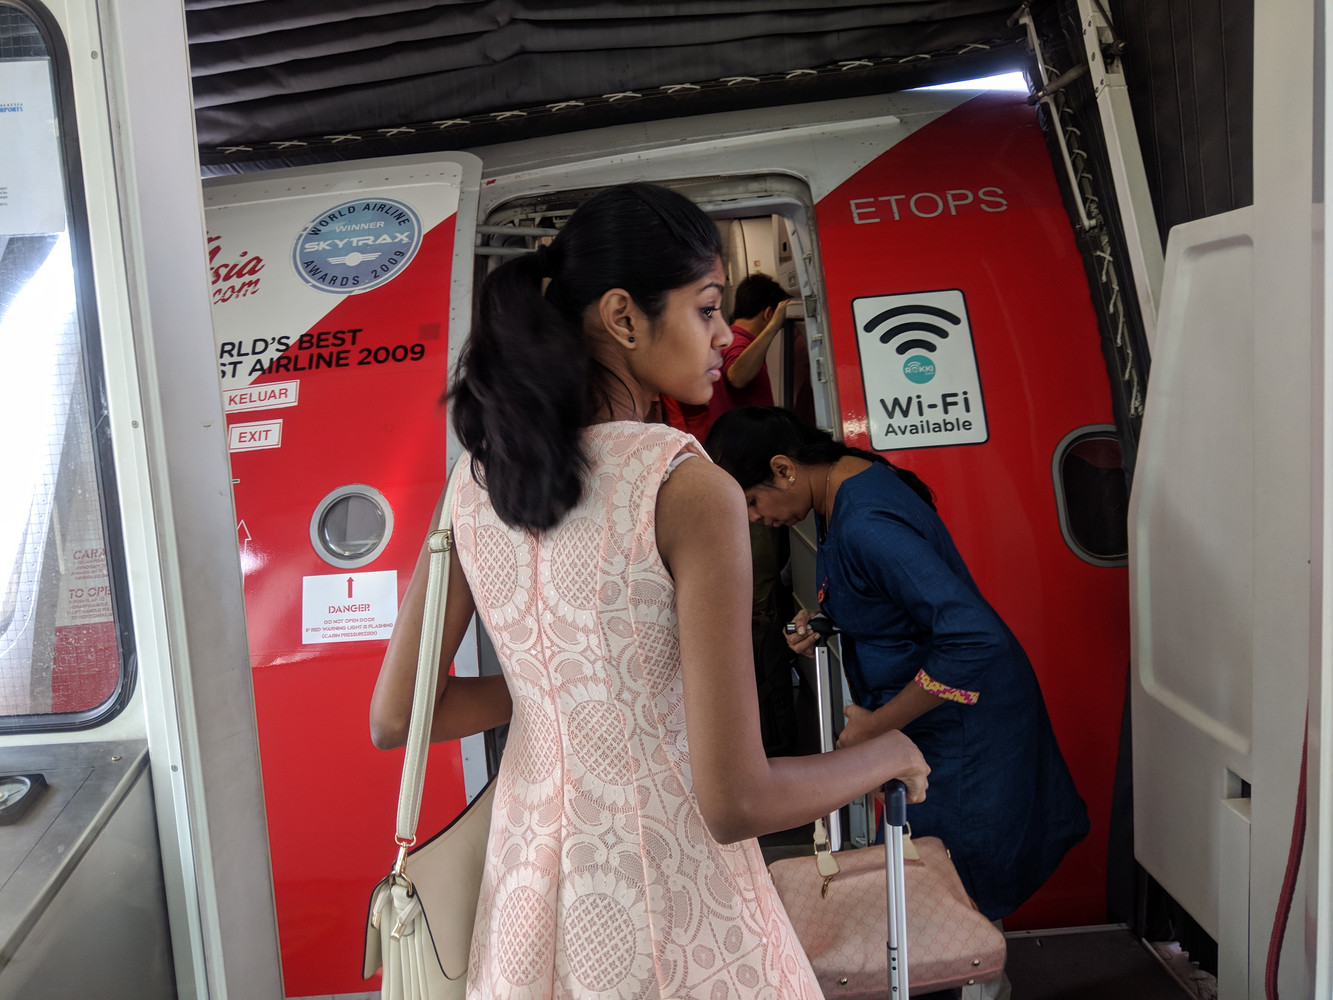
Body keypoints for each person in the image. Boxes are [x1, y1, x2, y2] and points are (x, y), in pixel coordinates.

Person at [369, 184, 930, 1000]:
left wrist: (562, 689)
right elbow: (736, 800)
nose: (724, 334)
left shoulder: (475, 480)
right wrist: (887, 752)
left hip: (527, 904)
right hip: (670, 913)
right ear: (624, 318)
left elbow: (398, 717)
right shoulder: (683, 485)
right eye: (706, 308)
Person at [706, 406, 1090, 998]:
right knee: (948, 889)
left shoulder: (864, 521)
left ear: (783, 470)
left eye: (754, 503)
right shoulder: (844, 485)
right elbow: (890, 596)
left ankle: (981, 986)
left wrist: (878, 730)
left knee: (959, 890)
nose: (759, 519)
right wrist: (828, 617)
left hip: (965, 727)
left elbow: (972, 638)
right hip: (941, 721)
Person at [660, 272, 795, 442]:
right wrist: (773, 327)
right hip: (747, 441)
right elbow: (736, 377)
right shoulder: (738, 341)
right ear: (768, 314)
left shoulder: (733, 339)